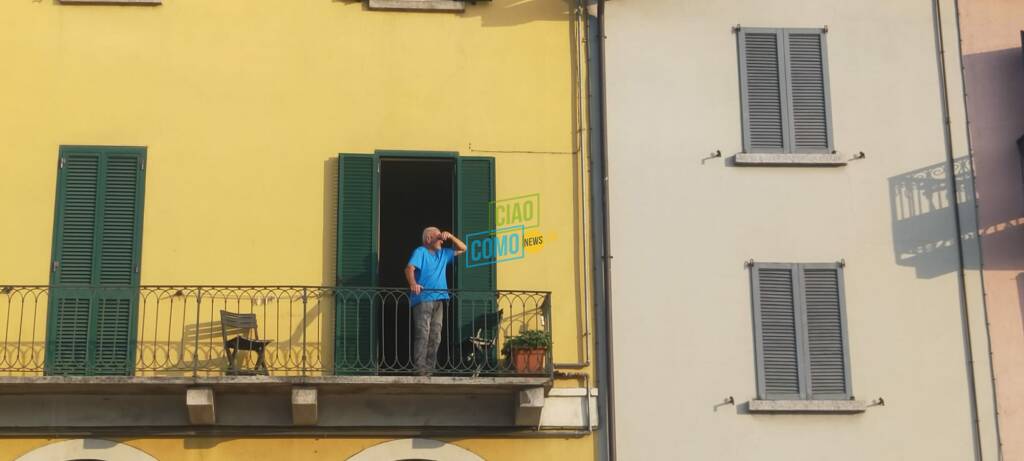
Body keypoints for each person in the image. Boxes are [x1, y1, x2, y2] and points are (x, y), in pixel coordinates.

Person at [405, 226, 466, 375]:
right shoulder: (421, 252)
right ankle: (420, 370)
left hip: (440, 298)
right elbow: (409, 269)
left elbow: (463, 248)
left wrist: (450, 236)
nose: (441, 240)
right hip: (423, 298)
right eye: (437, 236)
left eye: (441, 236)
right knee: (423, 334)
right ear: (428, 239)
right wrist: (413, 284)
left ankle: (429, 371)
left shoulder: (444, 254)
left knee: (436, 336)